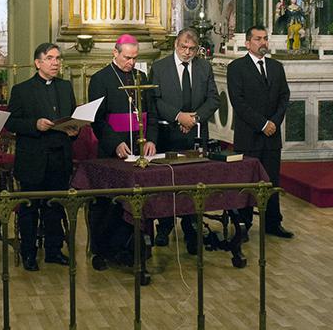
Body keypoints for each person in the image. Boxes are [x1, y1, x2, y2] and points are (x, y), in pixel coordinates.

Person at [86, 34, 159, 270]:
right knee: (109, 203)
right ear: (115, 53)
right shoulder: (100, 79)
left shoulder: (141, 77)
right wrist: (115, 143)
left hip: (139, 152)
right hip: (111, 152)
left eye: (135, 58)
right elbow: (98, 121)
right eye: (127, 57)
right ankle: (102, 250)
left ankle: (132, 248)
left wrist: (150, 140)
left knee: (137, 200)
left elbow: (152, 115)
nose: (131, 63)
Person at [7, 43, 79, 271]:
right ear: (38, 63)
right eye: (50, 58)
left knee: (54, 207)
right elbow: (11, 122)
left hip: (60, 157)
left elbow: (73, 115)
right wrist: (35, 124)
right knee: (30, 209)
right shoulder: (22, 90)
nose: (56, 62)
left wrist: (74, 130)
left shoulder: (66, 87)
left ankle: (54, 251)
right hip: (33, 159)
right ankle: (29, 253)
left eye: (58, 58)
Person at [150, 28, 219, 252]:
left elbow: (213, 99)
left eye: (191, 49)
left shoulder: (204, 67)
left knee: (193, 183)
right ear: (175, 45)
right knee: (166, 183)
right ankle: (165, 225)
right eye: (183, 47)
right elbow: (155, 101)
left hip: (196, 135)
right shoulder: (159, 67)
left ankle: (192, 229)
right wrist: (178, 116)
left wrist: (194, 119)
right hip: (168, 135)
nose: (187, 52)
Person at [226, 26, 294, 240]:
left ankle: (273, 223)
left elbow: (284, 96)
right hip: (249, 136)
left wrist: (273, 122)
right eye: (257, 39)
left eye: (265, 38)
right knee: (247, 182)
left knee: (272, 182)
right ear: (247, 43)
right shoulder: (236, 68)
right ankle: (244, 224)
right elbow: (238, 102)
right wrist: (262, 124)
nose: (262, 42)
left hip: (272, 137)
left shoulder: (276, 67)